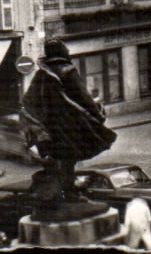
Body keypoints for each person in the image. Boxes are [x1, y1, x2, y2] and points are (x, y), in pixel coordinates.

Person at [22, 38, 116, 200]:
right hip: (68, 124)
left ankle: (62, 190)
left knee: (61, 158)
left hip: (49, 126)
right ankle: (70, 192)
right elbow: (83, 96)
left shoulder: (41, 74)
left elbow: (29, 100)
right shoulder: (66, 71)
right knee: (70, 157)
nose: (68, 51)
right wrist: (98, 114)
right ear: (60, 51)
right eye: (65, 48)